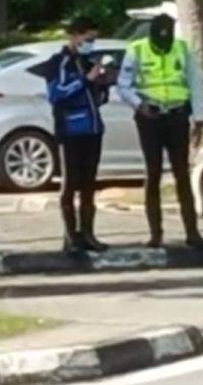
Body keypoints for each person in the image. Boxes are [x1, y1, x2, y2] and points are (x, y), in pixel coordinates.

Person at [117, 13, 203, 250]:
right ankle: (155, 234)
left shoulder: (181, 48)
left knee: (182, 174)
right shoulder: (136, 50)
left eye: (167, 38)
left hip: (178, 116)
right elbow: (123, 85)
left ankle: (192, 232)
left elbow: (194, 83)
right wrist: (139, 104)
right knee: (153, 173)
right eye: (159, 39)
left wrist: (199, 118)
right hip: (150, 118)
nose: (163, 43)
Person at [45, 17, 116, 254]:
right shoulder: (59, 63)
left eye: (94, 40)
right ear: (74, 37)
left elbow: (98, 99)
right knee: (70, 183)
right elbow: (56, 95)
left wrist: (103, 83)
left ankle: (88, 233)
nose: (91, 44)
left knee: (89, 184)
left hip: (93, 129)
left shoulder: (89, 61)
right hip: (70, 130)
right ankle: (70, 235)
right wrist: (85, 81)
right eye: (88, 39)